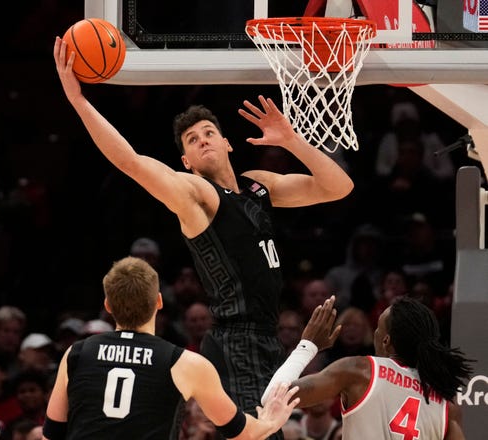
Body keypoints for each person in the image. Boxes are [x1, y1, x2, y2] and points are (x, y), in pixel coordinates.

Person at [53, 36, 354, 432]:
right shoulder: (198, 195)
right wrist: (79, 101)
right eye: (192, 140)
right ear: (186, 162)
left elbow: (338, 187)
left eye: (209, 132)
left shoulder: (258, 185)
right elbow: (130, 162)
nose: (203, 140)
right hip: (234, 339)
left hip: (266, 335)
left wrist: (292, 140)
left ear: (227, 142)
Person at [44, 256, 309, 440]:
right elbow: (242, 433)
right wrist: (271, 421)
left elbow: (52, 433)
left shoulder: (77, 354)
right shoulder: (186, 363)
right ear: (159, 302)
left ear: (108, 306)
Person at [262, 296, 474, 439]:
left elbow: (273, 399)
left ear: (386, 341)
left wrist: (307, 346)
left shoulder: (360, 370)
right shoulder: (447, 404)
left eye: (377, 328)